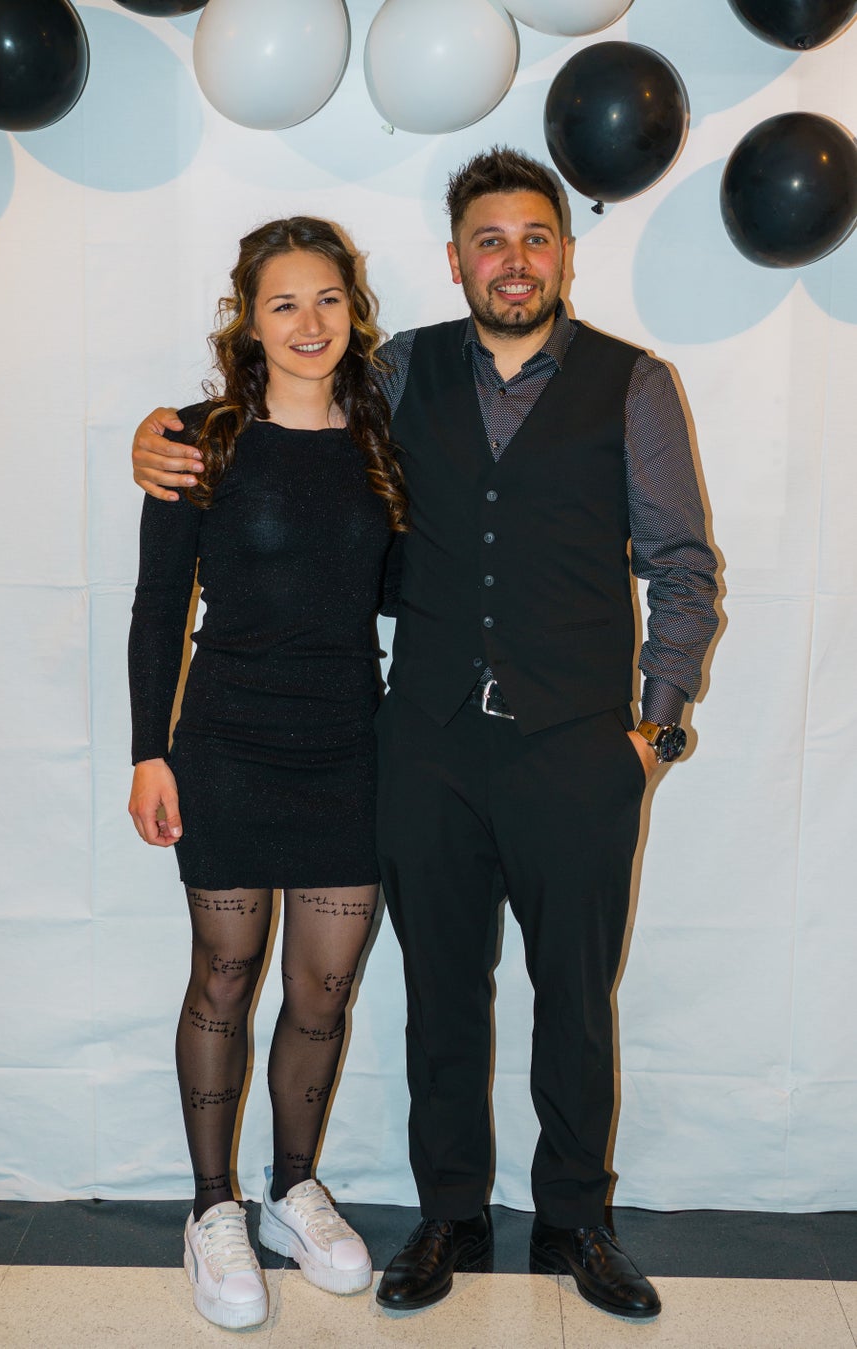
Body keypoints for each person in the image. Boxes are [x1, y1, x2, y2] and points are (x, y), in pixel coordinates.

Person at [131, 148, 719, 1322]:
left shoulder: (634, 382)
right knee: (441, 991)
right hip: (427, 745)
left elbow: (682, 566)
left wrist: (653, 732)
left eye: (536, 236)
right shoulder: (397, 373)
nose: (515, 258)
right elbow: (275, 422)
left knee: (573, 994)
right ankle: (449, 1209)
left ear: (564, 252)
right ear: (456, 261)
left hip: (576, 747)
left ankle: (576, 1219)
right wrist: (162, 433)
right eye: (490, 240)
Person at [127, 216, 407, 1331]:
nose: (309, 321)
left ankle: (294, 1187)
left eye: (328, 298)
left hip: (349, 746)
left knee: (322, 991)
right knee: (226, 977)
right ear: (248, 319)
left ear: (355, 310)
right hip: (228, 747)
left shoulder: (384, 440)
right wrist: (148, 750)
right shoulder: (198, 441)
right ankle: (212, 1206)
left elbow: (405, 589)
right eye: (284, 302)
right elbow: (160, 606)